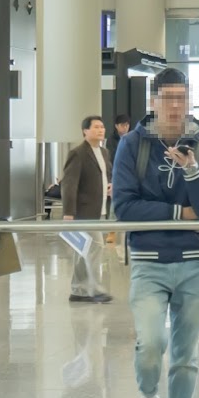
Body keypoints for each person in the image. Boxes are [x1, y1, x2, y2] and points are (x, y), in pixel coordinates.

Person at [112, 67, 199, 398]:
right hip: (149, 261)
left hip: (194, 262)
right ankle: (146, 396)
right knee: (152, 341)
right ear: (154, 102)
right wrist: (180, 213)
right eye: (168, 98)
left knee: (186, 357)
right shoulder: (132, 145)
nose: (176, 106)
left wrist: (191, 169)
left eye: (182, 98)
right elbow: (124, 207)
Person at [58, 115, 113, 304]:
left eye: (102, 126)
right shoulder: (78, 153)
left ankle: (79, 290)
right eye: (96, 127)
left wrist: (113, 185)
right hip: (84, 211)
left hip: (101, 209)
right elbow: (69, 184)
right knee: (95, 247)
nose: (101, 130)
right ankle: (94, 289)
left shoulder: (104, 152)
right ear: (85, 131)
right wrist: (69, 212)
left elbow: (108, 175)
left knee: (83, 250)